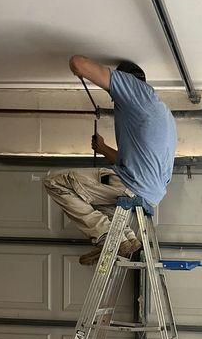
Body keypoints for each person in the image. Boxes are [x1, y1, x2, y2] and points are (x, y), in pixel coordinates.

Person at [43, 56, 177, 265]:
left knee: (54, 181)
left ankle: (106, 238)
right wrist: (104, 148)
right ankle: (126, 241)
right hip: (149, 192)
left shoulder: (137, 91)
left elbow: (77, 63)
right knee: (100, 203)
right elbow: (133, 161)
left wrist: (80, 71)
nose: (114, 100)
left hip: (131, 185)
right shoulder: (160, 111)